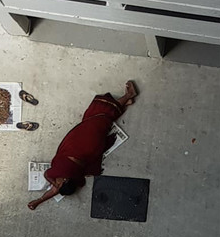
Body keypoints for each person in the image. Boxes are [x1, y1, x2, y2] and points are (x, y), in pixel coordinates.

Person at [27, 81, 138, 210]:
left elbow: (52, 192)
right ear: (64, 181)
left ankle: (125, 103)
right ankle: (129, 95)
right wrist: (53, 182)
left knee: (94, 118)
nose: (55, 183)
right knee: (101, 117)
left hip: (91, 150)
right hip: (85, 143)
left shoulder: (76, 178)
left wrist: (38, 202)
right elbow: (47, 175)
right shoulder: (62, 171)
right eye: (57, 183)